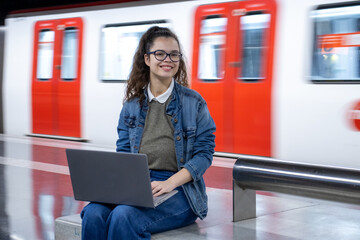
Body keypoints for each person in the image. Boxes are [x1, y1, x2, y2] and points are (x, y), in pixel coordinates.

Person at [80, 26, 216, 239]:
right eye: (160, 54)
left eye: (174, 54)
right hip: (136, 183)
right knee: (93, 213)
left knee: (123, 216)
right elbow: (124, 153)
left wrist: (169, 183)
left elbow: (204, 154)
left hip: (180, 189)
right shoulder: (131, 106)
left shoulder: (194, 102)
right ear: (147, 59)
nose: (168, 60)